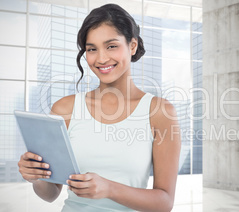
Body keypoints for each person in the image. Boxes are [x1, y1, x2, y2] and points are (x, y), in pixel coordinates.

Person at [18, 3, 181, 212]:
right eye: (92, 49)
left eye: (111, 46)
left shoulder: (159, 112)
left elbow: (164, 203)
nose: (101, 58)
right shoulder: (65, 109)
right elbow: (51, 194)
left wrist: (110, 189)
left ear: (132, 46)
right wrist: (36, 177)